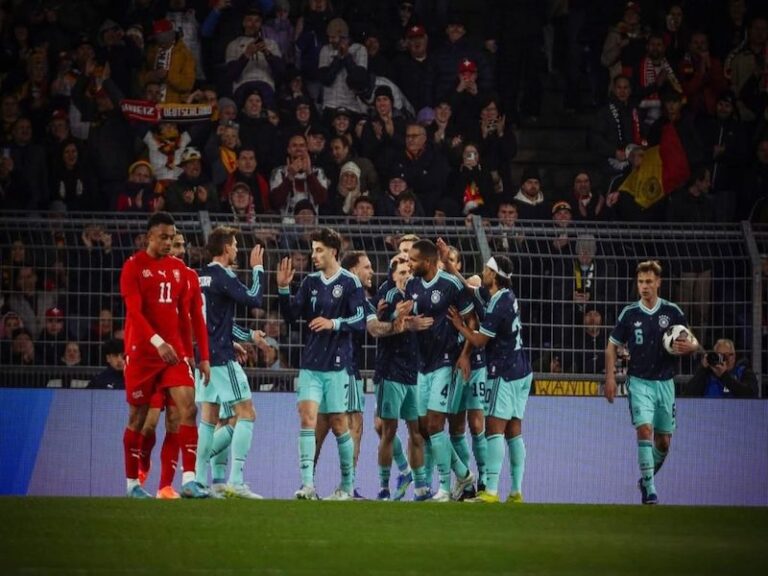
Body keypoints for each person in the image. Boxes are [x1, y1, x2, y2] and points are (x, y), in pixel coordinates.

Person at [119, 211, 211, 499]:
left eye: (172, 237)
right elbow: (135, 311)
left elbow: (191, 316)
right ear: (149, 237)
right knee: (139, 419)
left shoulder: (181, 271)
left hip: (173, 354)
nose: (169, 242)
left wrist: (200, 356)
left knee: (187, 410)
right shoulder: (133, 267)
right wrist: (158, 342)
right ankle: (133, 483)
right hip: (144, 354)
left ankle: (188, 479)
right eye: (164, 237)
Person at [277, 228, 366, 500]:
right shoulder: (309, 282)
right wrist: (282, 289)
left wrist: (333, 323)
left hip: (338, 366)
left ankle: (347, 486)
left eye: (319, 250)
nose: (313, 255)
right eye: (313, 249)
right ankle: (307, 486)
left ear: (333, 251)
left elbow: (360, 320)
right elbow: (292, 316)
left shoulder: (350, 283)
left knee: (340, 423)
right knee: (307, 419)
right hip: (311, 364)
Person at [604, 260, 699, 505]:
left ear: (658, 283)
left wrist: (692, 347)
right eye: (640, 282)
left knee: (664, 442)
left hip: (665, 383)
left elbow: (692, 341)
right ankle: (650, 489)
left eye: (648, 282)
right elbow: (612, 346)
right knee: (644, 429)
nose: (644, 286)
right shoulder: (630, 313)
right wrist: (611, 377)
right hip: (639, 382)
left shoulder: (672, 312)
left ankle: (646, 478)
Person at [445, 252, 532, 503]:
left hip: (503, 372)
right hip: (521, 370)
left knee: (494, 429)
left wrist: (460, 325)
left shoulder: (498, 304)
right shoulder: (506, 297)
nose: (482, 272)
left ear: (494, 275)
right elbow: (472, 291)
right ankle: (515, 491)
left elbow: (480, 340)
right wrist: (452, 268)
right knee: (514, 431)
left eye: (486, 269)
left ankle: (491, 491)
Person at [402, 239, 477, 502]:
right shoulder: (411, 285)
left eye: (412, 260)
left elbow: (471, 320)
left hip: (446, 361)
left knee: (435, 425)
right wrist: (409, 323)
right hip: (422, 364)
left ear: (429, 262)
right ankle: (465, 475)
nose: (408, 264)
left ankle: (445, 487)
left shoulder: (451, 285)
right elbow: (407, 318)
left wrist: (466, 355)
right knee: (423, 428)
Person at [195, 227, 266, 499]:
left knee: (210, 419)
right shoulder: (223, 276)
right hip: (221, 358)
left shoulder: (199, 277)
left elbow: (215, 321)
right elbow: (254, 298)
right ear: (225, 248)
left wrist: (246, 336)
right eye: (235, 245)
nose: (237, 249)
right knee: (246, 413)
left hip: (202, 357)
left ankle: (199, 480)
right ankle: (236, 481)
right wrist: (258, 269)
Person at [684, 339, 758, 398]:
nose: (727, 359)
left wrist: (724, 376)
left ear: (735, 356)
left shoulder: (744, 372)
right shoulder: (706, 374)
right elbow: (688, 395)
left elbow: (751, 395)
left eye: (730, 355)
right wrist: (702, 369)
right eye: (722, 355)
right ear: (715, 356)